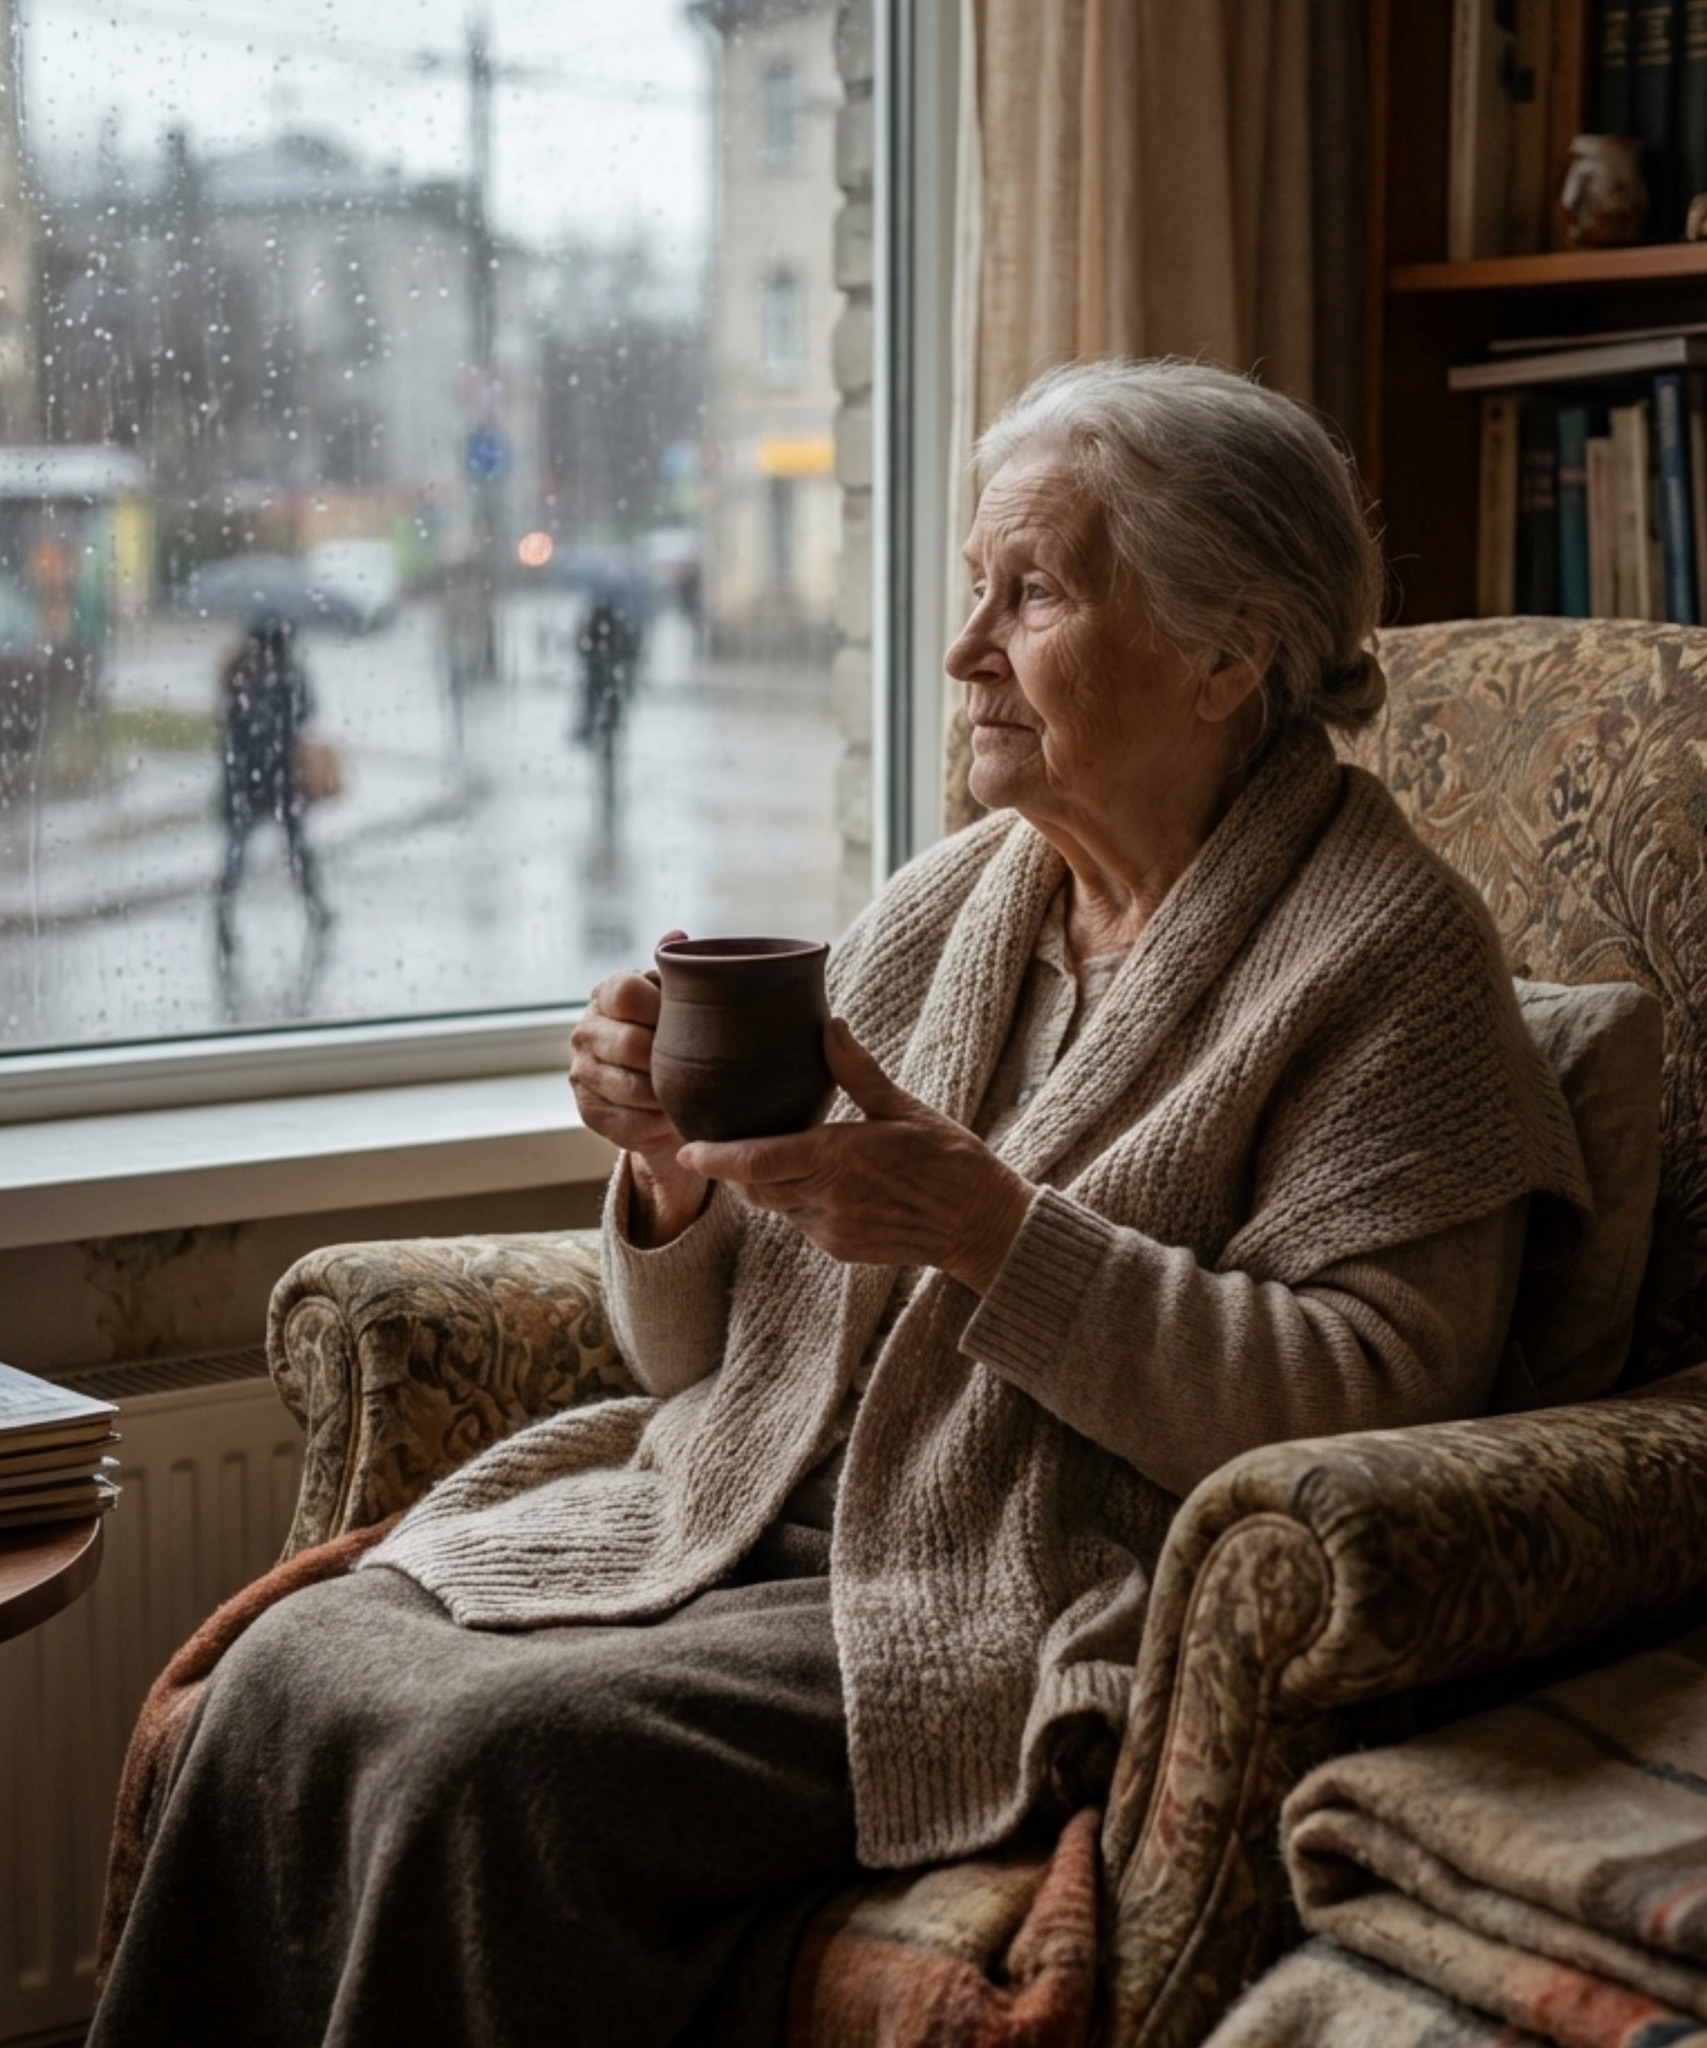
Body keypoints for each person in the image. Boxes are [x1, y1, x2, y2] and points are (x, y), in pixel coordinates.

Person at [91, 360, 1587, 2048]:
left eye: (1028, 593)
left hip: (1004, 1581)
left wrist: (990, 1233)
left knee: (478, 1764)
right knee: (292, 1675)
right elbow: (693, 1364)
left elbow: (1375, 1399)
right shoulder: (952, 903)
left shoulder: (1386, 960)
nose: (964, 650)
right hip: (743, 1512)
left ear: (1225, 652)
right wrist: (667, 1170)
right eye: (973, 586)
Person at [214, 614, 330, 957]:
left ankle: (222, 915)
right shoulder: (289, 672)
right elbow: (307, 711)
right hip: (281, 776)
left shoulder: (239, 669)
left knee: (238, 849)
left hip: (243, 776)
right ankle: (315, 906)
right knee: (297, 846)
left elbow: (227, 717)